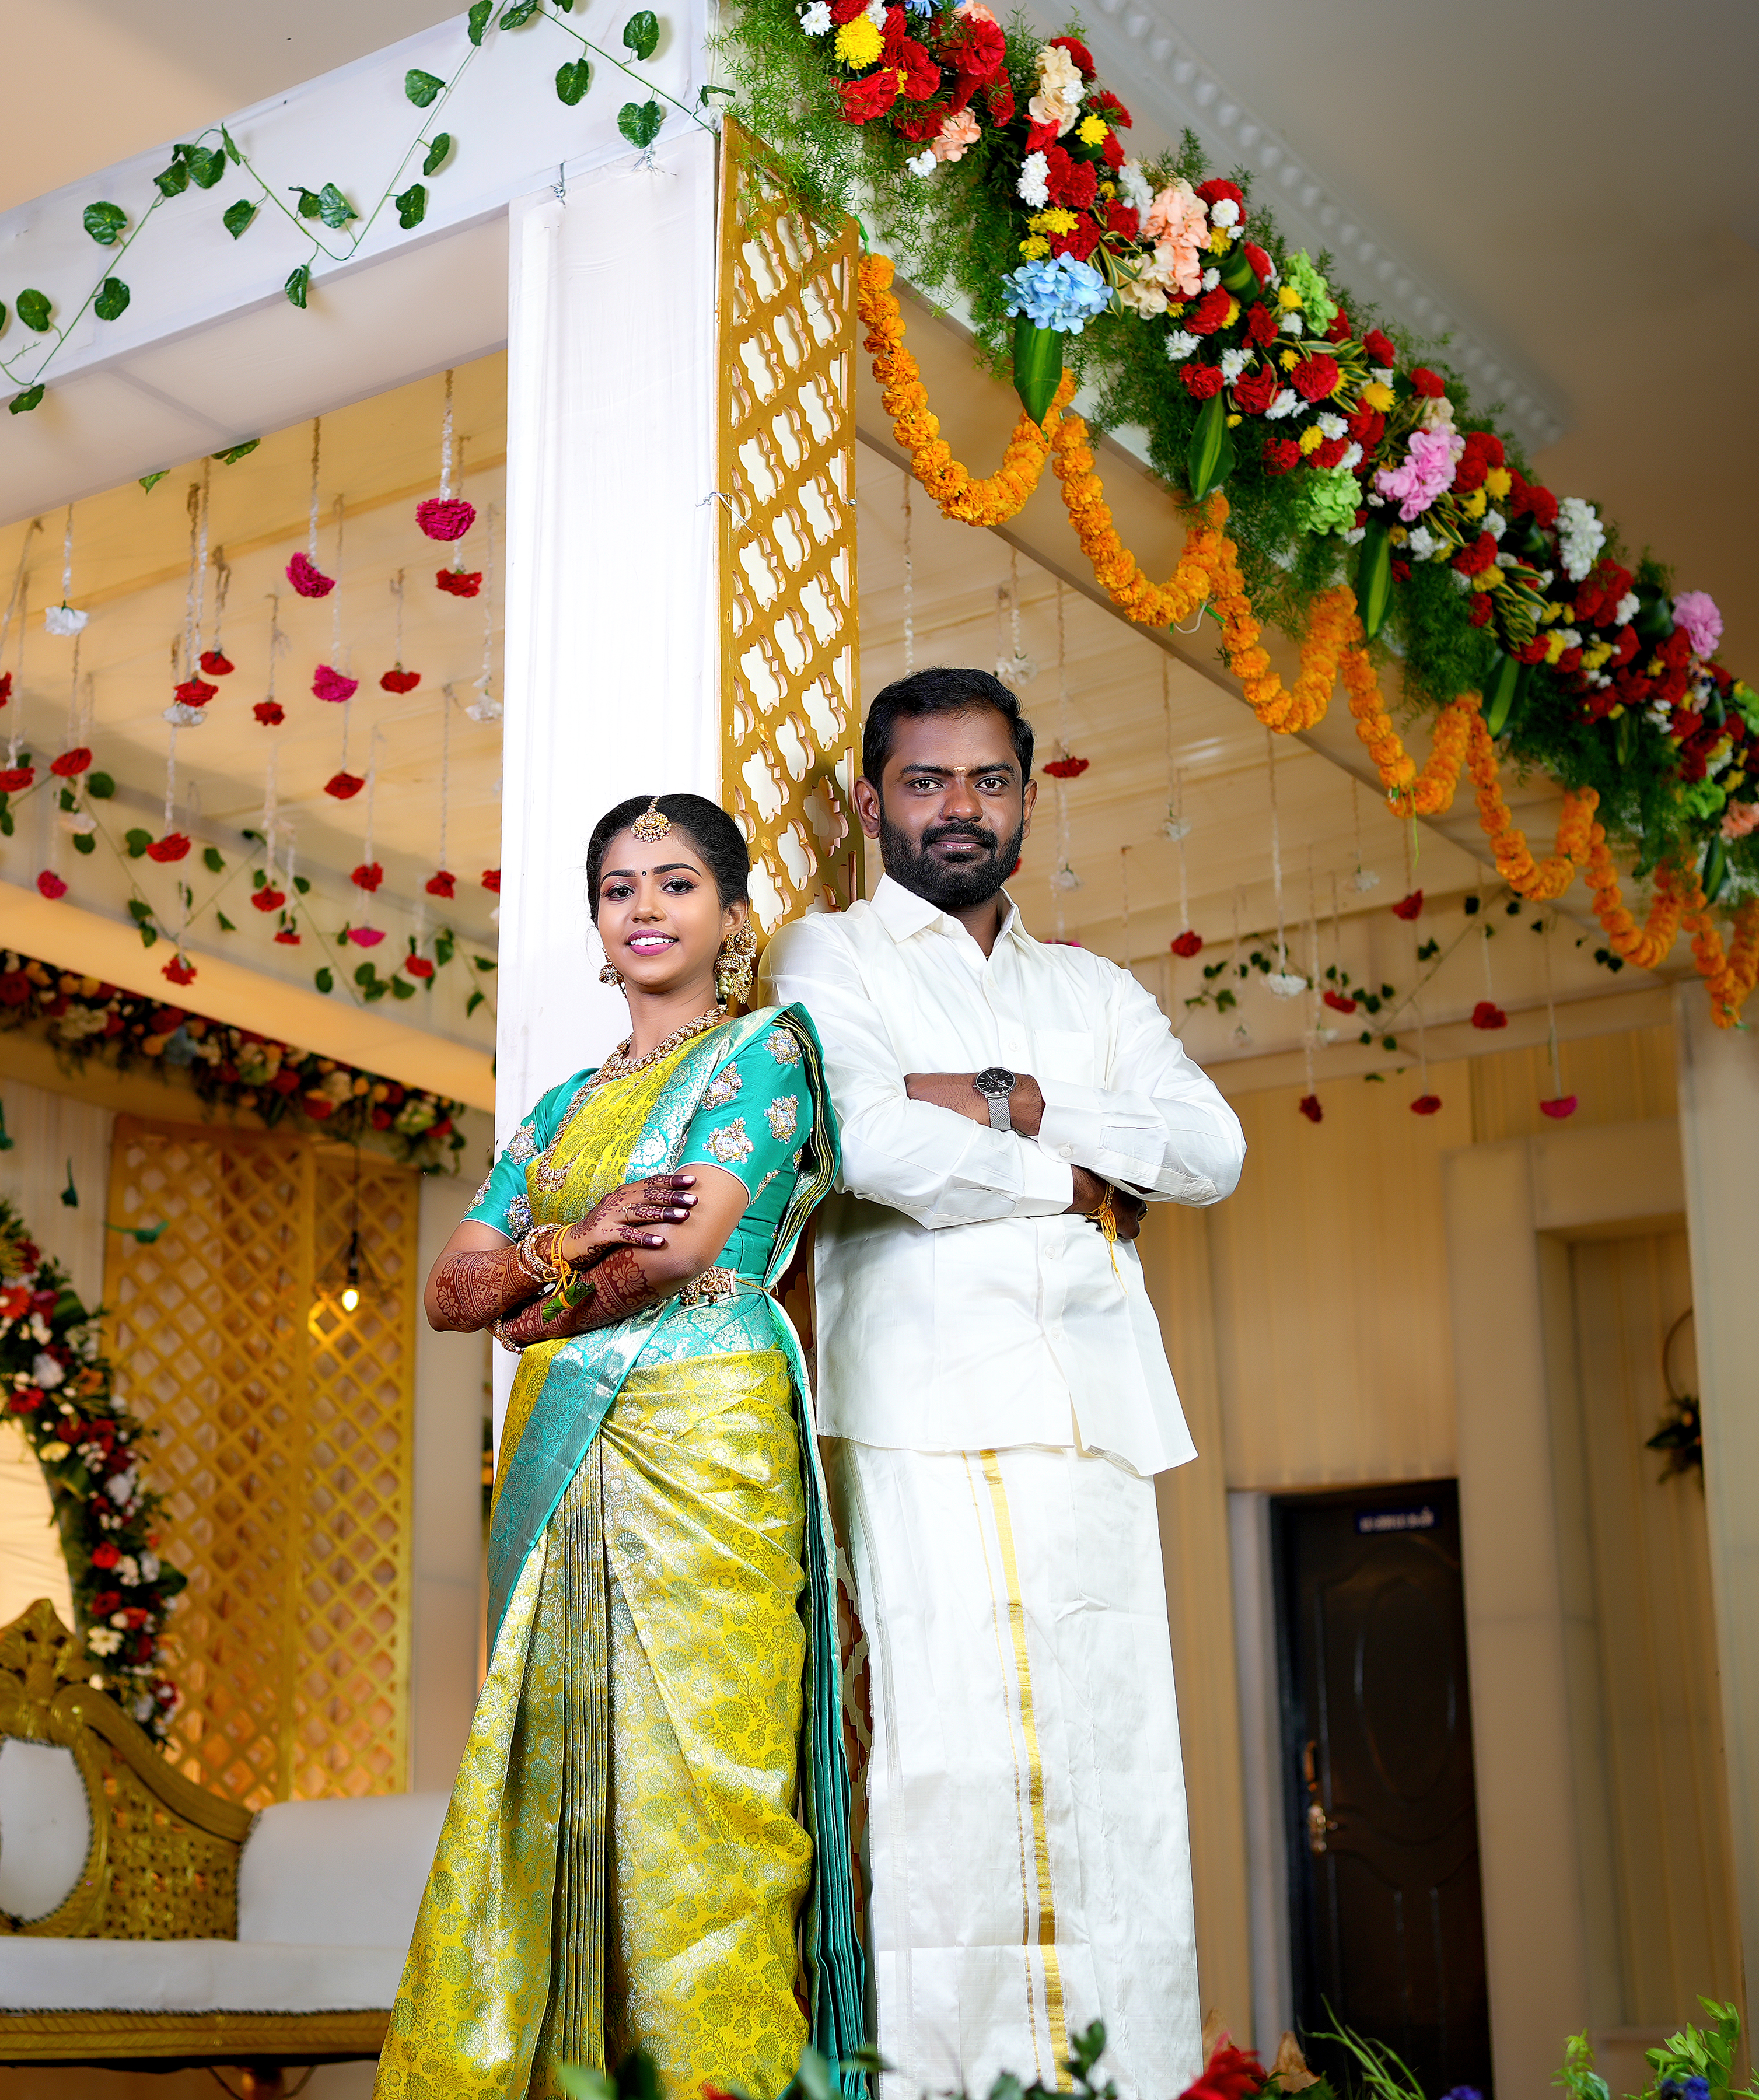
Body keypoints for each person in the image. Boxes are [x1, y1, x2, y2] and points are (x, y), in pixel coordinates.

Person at [765, 667, 1246, 2100]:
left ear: (1027, 797)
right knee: (947, 1782)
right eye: (925, 782)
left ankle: (1130, 2082)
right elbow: (866, 1144)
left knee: (1118, 1778)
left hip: (1095, 1415)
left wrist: (1008, 1099)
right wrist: (1082, 1180)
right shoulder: (829, 957)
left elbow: (1210, 1153)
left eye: (986, 781)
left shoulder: (1091, 990)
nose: (957, 808)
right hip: (915, 1405)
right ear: (873, 804)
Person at [378, 792, 869, 2100]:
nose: (645, 909)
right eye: (618, 889)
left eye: (675, 884)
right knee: (549, 1764)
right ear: (598, 927)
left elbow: (681, 1254)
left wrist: (536, 1290)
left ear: (732, 914)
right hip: (560, 1446)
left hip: (704, 1436)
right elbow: (446, 1293)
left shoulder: (767, 1053)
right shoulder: (552, 1111)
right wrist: (569, 1243)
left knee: (704, 1779)